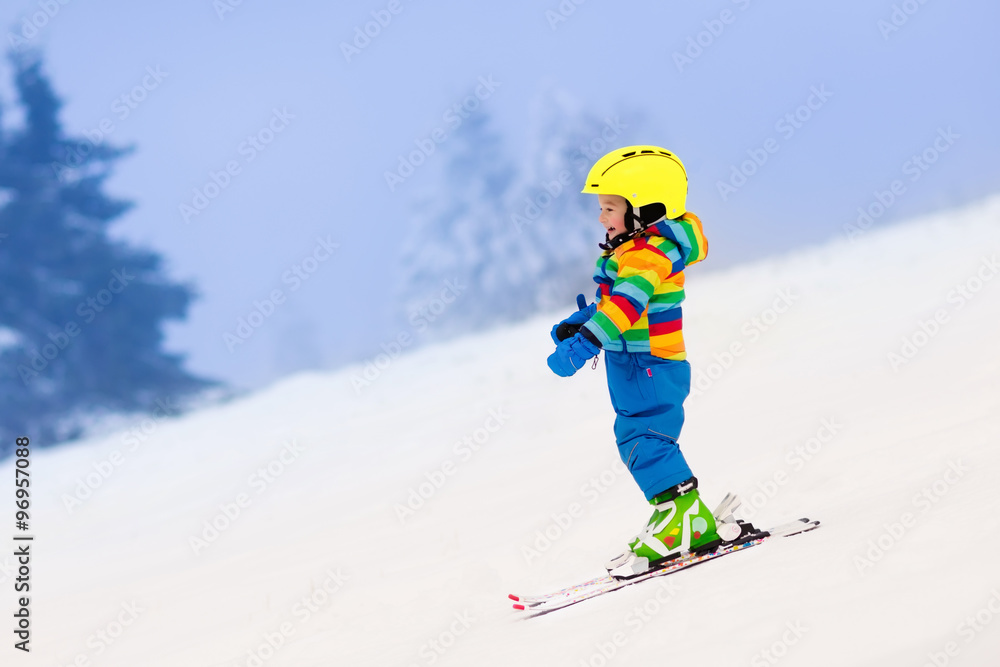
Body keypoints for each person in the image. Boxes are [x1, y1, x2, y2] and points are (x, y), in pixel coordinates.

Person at [547, 145, 734, 578]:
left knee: (643, 437)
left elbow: (627, 305)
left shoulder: (646, 254)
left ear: (646, 209)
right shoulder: (635, 251)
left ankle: (681, 518)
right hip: (638, 361)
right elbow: (613, 301)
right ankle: (686, 517)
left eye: (610, 207)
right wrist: (581, 323)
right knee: (641, 435)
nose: (602, 217)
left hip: (648, 364)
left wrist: (587, 342)